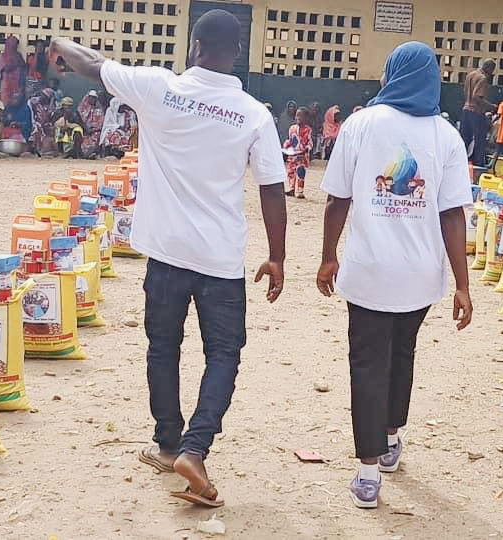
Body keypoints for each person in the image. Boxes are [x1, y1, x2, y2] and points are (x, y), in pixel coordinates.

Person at [49, 7, 288, 508]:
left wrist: (57, 41)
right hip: (221, 258)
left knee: (164, 345)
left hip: (166, 252)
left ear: (195, 47)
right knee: (224, 353)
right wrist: (277, 257)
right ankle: (195, 448)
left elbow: (91, 63)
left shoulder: (159, 88)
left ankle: (168, 441)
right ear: (237, 53)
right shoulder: (254, 113)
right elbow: (272, 189)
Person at [316, 41, 472, 509]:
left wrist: (328, 255)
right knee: (402, 353)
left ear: (390, 74)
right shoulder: (446, 135)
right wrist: (462, 284)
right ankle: (389, 439)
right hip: (420, 277)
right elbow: (452, 215)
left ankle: (367, 474)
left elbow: (337, 199)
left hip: (367, 272)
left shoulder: (360, 124)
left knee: (366, 363)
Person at [461, 58, 496, 166]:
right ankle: (478, 165)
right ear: (488, 67)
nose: (492, 73)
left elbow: (466, 92)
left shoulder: (470, 75)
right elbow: (477, 97)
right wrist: (491, 106)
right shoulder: (482, 78)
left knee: (464, 139)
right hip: (476, 112)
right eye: (492, 69)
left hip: (466, 110)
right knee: (480, 139)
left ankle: (460, 162)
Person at [283, 106, 313, 199]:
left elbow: (310, 141)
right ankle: (291, 189)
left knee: (300, 171)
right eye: (296, 115)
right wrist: (286, 145)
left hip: (302, 155)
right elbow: (291, 140)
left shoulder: (308, 129)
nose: (298, 118)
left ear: (306, 118)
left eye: (300, 116)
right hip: (292, 155)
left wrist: (307, 148)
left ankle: (300, 190)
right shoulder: (292, 128)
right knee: (291, 172)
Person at [0, 36, 27, 106]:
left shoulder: (18, 55)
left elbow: (24, 66)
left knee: (16, 100)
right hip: (7, 83)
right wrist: (16, 65)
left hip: (17, 83)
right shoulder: (3, 56)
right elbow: (5, 68)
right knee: (6, 101)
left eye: (15, 45)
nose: (14, 46)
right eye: (13, 44)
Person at [76, 90, 106, 158]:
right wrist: (85, 128)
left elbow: (100, 123)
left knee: (97, 136)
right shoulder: (82, 107)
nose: (92, 99)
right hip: (84, 129)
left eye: (94, 98)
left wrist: (93, 130)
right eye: (91, 97)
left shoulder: (99, 109)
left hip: (94, 131)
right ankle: (84, 154)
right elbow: (80, 119)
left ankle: (90, 153)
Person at [29, 87, 58, 156]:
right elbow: (32, 113)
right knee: (37, 129)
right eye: (41, 94)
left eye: (44, 96)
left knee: (51, 131)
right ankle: (36, 149)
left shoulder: (52, 106)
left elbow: (50, 117)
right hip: (35, 122)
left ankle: (48, 150)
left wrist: (52, 101)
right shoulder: (35, 101)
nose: (42, 97)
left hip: (46, 124)